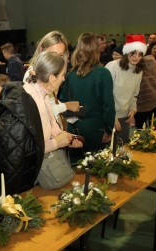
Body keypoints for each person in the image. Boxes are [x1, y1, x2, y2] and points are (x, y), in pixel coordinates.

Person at [59, 32, 115, 162]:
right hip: (96, 128)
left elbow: (63, 102)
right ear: (96, 49)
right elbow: (109, 106)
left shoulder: (70, 75)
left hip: (74, 128)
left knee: (76, 167)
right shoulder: (103, 73)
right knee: (97, 168)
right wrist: (109, 129)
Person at [25, 51, 83, 163]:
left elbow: (51, 122)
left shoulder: (43, 92)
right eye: (62, 75)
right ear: (52, 78)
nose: (63, 79)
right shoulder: (31, 99)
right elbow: (28, 149)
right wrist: (56, 143)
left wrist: (65, 138)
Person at [23, 30, 80, 116]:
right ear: (41, 50)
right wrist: (65, 106)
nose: (56, 59)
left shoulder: (55, 71)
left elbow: (50, 101)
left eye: (60, 55)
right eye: (52, 54)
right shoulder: (32, 74)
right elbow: (37, 114)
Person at [105, 35, 146, 144]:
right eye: (133, 53)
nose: (136, 57)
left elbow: (134, 94)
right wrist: (111, 117)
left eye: (140, 54)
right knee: (106, 153)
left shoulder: (138, 71)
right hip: (109, 116)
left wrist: (133, 109)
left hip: (124, 117)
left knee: (122, 150)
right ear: (127, 52)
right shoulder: (112, 67)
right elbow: (104, 95)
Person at [134, 44, 156, 128]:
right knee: (154, 128)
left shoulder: (134, 65)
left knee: (140, 129)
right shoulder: (153, 61)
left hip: (141, 103)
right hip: (155, 99)